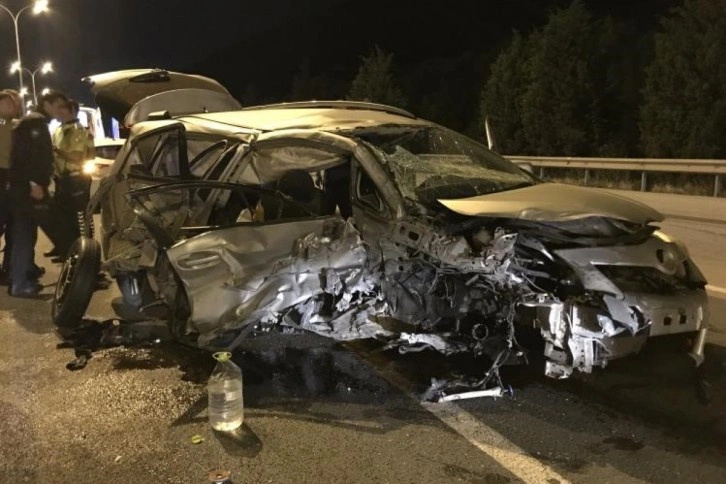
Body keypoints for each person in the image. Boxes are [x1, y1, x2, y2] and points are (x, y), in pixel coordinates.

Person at [7, 91, 65, 297]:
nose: (61, 110)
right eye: (58, 106)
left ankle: (21, 277)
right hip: (28, 189)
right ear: (47, 104)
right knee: (24, 233)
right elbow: (27, 157)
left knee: (26, 232)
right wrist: (34, 183)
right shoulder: (35, 123)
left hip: (25, 187)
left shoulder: (35, 122)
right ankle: (20, 282)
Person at [48, 98, 94, 259]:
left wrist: (54, 149)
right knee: (63, 217)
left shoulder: (77, 130)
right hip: (62, 179)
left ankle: (85, 252)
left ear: (72, 111)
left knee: (79, 218)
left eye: (61, 110)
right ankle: (66, 249)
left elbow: (76, 157)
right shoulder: (59, 129)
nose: (57, 113)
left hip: (76, 178)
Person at [0, 89, 21, 283]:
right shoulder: (7, 125)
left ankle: (9, 267)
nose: (13, 106)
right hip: (3, 175)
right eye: (8, 103)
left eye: (14, 103)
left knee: (14, 227)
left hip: (12, 177)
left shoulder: (15, 125)